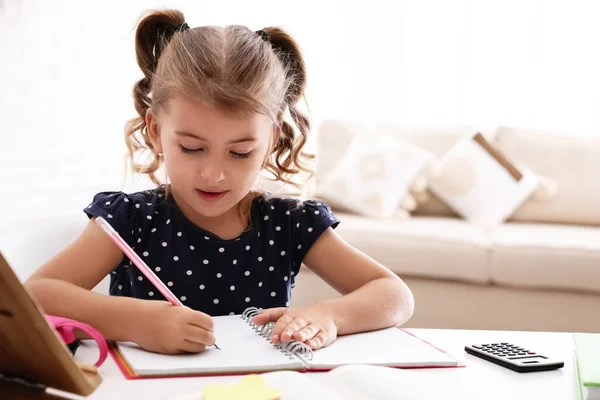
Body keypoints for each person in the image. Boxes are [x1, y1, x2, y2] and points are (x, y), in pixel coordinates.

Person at [25, 9, 414, 355]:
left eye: (240, 152)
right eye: (192, 148)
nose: (214, 174)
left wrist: (328, 315)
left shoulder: (290, 223)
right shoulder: (130, 220)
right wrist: (133, 320)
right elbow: (35, 295)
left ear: (272, 140)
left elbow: (395, 295)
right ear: (156, 131)